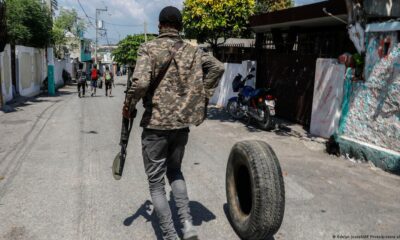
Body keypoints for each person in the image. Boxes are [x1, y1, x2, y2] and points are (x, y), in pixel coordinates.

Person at [122, 6, 224, 240]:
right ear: (180, 27)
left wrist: (128, 106)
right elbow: (217, 67)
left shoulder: (148, 48)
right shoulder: (194, 51)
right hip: (181, 125)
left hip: (156, 126)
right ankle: (188, 226)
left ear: (159, 26)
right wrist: (202, 95)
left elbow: (139, 84)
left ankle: (169, 235)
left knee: (156, 183)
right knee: (175, 171)